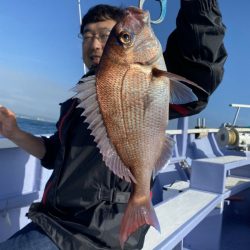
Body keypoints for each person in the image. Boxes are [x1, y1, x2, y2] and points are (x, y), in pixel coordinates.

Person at [0, 1, 227, 249]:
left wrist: (200, 7)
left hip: (95, 235)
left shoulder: (147, 76)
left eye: (108, 36)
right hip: (49, 220)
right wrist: (14, 132)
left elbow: (198, 75)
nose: (95, 44)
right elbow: (55, 153)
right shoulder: (77, 103)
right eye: (87, 36)